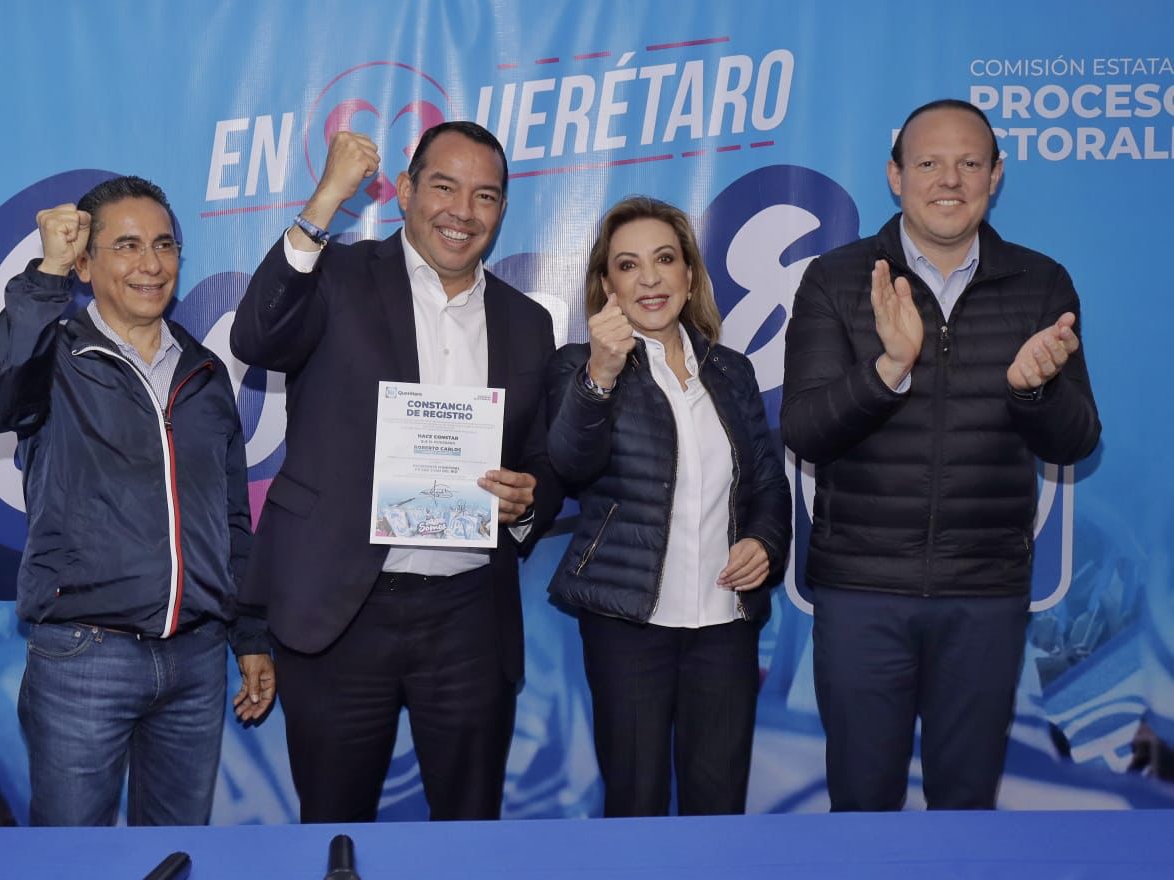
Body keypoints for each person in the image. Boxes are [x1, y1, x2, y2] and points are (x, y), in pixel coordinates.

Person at [230, 121, 559, 822]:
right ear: (405, 191)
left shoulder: (528, 321)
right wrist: (325, 200)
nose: (462, 211)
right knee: (332, 827)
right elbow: (255, 336)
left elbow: (541, 461)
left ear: (502, 210)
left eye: (484, 196)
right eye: (443, 187)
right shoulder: (337, 274)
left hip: (470, 617)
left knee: (467, 834)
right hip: (340, 609)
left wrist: (527, 500)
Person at [780, 99, 1102, 811]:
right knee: (861, 805)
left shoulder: (1041, 283)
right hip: (861, 592)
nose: (948, 180)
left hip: (983, 594)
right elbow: (804, 430)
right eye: (928, 162)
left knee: (966, 809)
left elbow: (1077, 438)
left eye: (968, 163)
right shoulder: (836, 278)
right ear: (895, 176)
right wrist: (887, 369)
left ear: (995, 176)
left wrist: (1033, 391)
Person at [0, 176, 275, 826]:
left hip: (196, 662)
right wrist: (45, 275)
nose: (151, 264)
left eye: (164, 245)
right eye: (127, 246)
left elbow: (231, 519)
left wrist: (249, 634)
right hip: (85, 658)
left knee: (177, 853)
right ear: (84, 264)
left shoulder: (205, 372)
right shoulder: (52, 357)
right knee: (73, 860)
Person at [545, 196, 791, 816]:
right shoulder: (578, 368)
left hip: (725, 624)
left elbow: (767, 484)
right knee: (635, 805)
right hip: (627, 624)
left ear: (689, 273)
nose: (649, 279)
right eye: (628, 265)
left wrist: (763, 542)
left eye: (664, 259)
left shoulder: (731, 371)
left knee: (718, 807)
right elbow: (570, 464)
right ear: (607, 286)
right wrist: (601, 375)